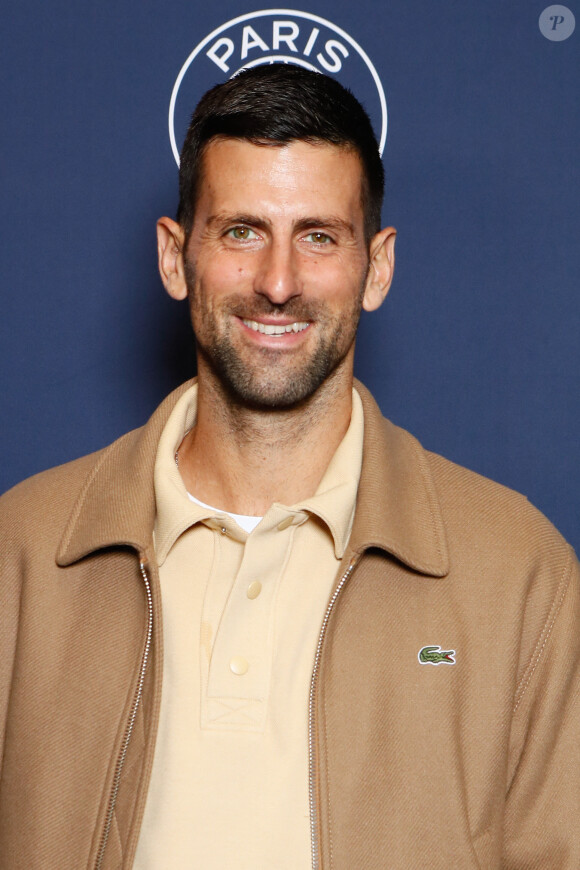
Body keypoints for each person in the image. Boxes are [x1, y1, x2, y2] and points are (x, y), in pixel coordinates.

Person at [0, 64, 579, 870]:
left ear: (376, 269)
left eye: (318, 236)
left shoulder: (520, 571)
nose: (278, 283)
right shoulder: (20, 552)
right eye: (241, 231)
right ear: (176, 259)